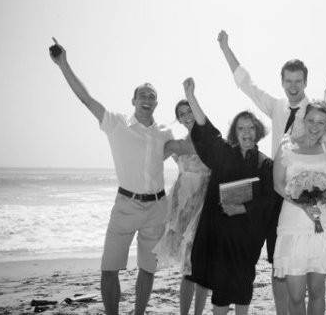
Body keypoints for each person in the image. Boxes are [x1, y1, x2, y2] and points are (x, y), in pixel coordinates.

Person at [48, 38, 173, 315]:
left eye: (152, 96)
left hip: (156, 207)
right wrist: (64, 65)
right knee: (108, 268)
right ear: (133, 100)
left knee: (148, 269)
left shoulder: (164, 131)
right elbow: (86, 98)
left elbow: (179, 155)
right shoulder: (115, 123)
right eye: (142, 95)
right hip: (126, 205)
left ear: (156, 102)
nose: (147, 99)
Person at [217, 30, 308, 314]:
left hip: (304, 194)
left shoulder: (316, 111)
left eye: (298, 81)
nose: (293, 86)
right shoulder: (277, 107)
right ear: (282, 82)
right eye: (288, 81)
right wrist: (225, 47)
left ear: (305, 82)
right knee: (276, 261)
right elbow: (247, 84)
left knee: (299, 263)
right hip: (275, 193)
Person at [182, 77, 277, 315]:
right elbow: (206, 131)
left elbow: (269, 199)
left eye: (251, 127)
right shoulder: (224, 154)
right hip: (221, 234)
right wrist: (191, 97)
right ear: (235, 132)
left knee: (244, 284)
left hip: (248, 235)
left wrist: (243, 209)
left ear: (258, 131)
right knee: (222, 287)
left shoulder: (266, 164)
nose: (247, 132)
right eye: (241, 128)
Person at [272, 51, 326, 315]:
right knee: (295, 296)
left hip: (323, 224)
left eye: (321, 122)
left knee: (317, 292)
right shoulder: (287, 147)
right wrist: (300, 202)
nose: (316, 126)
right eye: (311, 120)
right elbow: (278, 184)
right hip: (293, 223)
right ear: (303, 120)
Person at [152, 100, 210, 315]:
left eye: (190, 111)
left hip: (203, 206)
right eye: (182, 114)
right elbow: (156, 161)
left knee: (201, 266)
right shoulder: (179, 142)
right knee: (187, 267)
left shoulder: (210, 138)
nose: (187, 116)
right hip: (182, 207)